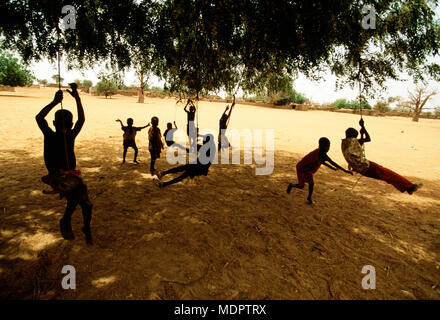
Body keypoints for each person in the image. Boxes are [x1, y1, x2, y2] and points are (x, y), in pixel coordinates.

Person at [35, 84, 93, 245]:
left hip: (70, 175)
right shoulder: (50, 135)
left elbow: (82, 120)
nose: (64, 127)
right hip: (58, 177)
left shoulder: (70, 136)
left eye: (67, 124)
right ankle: (67, 220)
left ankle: (80, 226)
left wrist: (77, 98)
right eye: (62, 124)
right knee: (80, 194)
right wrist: (54, 102)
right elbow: (39, 118)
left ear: (71, 125)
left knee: (85, 204)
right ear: (54, 123)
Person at [341, 119, 422, 194]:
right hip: (366, 166)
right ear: (354, 137)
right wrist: (363, 127)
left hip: (360, 169)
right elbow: (368, 139)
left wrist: (361, 134)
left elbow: (359, 144)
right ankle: (409, 186)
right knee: (388, 174)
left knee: (386, 176)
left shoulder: (344, 143)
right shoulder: (354, 141)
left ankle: (408, 188)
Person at [287, 137, 353, 204]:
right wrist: (345, 171)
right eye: (328, 146)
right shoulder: (322, 154)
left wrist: (331, 168)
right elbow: (332, 162)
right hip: (303, 168)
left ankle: (291, 185)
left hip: (304, 168)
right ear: (324, 147)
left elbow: (322, 161)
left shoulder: (320, 151)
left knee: (301, 186)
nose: (329, 148)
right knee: (310, 184)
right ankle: (309, 198)